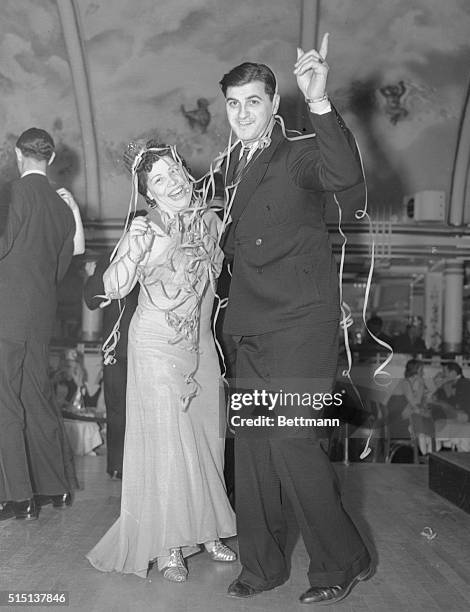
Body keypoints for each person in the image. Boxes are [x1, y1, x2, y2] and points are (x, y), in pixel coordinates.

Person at [216, 34, 371, 605]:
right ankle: (262, 566)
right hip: (250, 330)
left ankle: (342, 560)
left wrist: (322, 102)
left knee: (294, 442)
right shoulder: (230, 169)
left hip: (302, 325)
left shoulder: (299, 149)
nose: (242, 113)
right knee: (254, 451)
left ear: (274, 105)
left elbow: (345, 175)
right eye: (233, 103)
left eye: (253, 101)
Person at [86, 140, 236, 581]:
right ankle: (170, 544)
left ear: (187, 173)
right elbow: (111, 287)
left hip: (201, 346)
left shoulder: (212, 221)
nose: (170, 183)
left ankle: (208, 530)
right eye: (158, 180)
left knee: (208, 434)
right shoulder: (145, 226)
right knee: (170, 443)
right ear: (149, 194)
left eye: (173, 171)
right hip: (155, 344)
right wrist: (131, 250)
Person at [0, 127, 83, 522]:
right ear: (50, 159)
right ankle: (56, 487)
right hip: (41, 317)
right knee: (37, 397)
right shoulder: (61, 205)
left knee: (5, 401)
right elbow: (65, 264)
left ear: (19, 154)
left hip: (6, 315)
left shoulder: (12, 193)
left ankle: (18, 497)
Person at [83, 228, 142, 479]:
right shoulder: (156, 254)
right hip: (138, 345)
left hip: (116, 346)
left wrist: (93, 278)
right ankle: (133, 465)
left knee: (117, 407)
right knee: (136, 407)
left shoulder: (111, 257)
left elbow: (91, 298)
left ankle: (118, 465)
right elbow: (91, 298)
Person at [387, 359, 433, 456]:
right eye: (421, 370)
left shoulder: (410, 384)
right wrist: (421, 385)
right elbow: (415, 403)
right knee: (422, 425)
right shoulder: (405, 383)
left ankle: (426, 454)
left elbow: (417, 405)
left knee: (424, 423)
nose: (423, 372)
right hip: (397, 422)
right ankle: (424, 455)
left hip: (404, 419)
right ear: (416, 371)